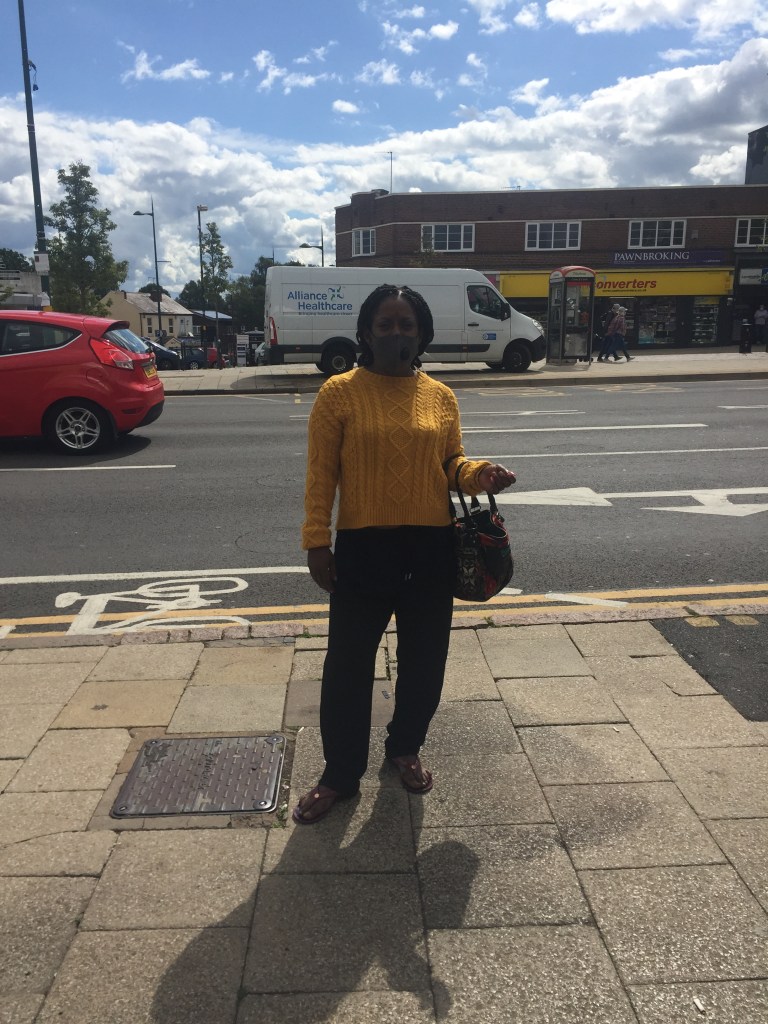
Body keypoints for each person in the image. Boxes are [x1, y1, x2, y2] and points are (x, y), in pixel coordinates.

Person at [293, 283, 516, 824]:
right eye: (386, 324)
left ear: (422, 333)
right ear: (367, 333)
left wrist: (479, 474)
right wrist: (316, 540)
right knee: (347, 667)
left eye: (407, 324)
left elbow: (451, 463)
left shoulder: (440, 396)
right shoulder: (339, 393)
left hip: (430, 547)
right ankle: (340, 774)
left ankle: (405, 748)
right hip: (363, 549)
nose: (397, 333)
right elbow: (321, 474)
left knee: (425, 662)